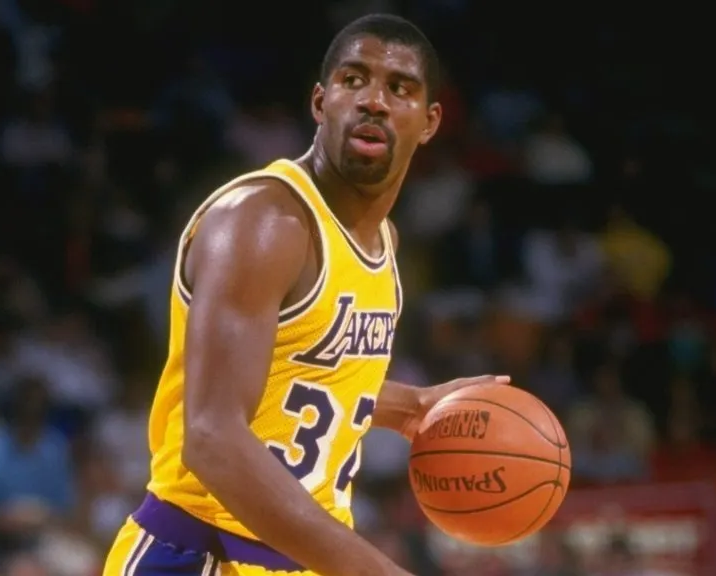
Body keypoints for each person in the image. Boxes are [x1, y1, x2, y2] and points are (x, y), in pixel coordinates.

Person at [102, 14, 509, 576]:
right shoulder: (264, 221)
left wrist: (411, 406)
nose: (374, 101)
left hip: (296, 561)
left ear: (430, 121)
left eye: (399, 88)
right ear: (320, 102)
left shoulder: (381, 242)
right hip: (200, 555)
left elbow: (298, 377)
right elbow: (212, 436)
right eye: (353, 79)